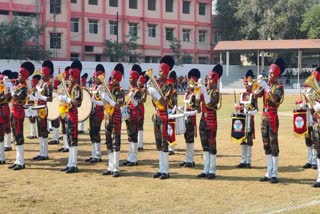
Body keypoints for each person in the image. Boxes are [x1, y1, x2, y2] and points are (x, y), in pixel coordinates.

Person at [255, 58, 285, 184]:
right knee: (266, 144)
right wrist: (258, 85)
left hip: (272, 117)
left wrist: (266, 87)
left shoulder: (279, 87)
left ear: (277, 74)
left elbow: (275, 100)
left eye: (272, 73)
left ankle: (275, 173)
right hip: (264, 117)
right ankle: (268, 172)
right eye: (269, 73)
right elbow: (256, 95)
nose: (269, 75)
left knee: (273, 144)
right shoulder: (266, 84)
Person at [147, 55, 174, 179]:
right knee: (158, 143)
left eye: (162, 70)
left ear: (167, 71)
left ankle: (166, 170)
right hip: (156, 115)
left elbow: (164, 102)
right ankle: (160, 168)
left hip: (163, 116)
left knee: (164, 143)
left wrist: (155, 93)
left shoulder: (169, 85)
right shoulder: (157, 83)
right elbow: (154, 103)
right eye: (159, 70)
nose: (159, 72)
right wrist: (151, 93)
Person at [196, 64, 223, 179]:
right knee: (204, 145)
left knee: (212, 145)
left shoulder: (216, 92)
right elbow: (197, 107)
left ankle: (212, 170)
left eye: (210, 79)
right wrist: (197, 94)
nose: (208, 81)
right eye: (207, 79)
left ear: (215, 80)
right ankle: (205, 169)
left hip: (211, 120)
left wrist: (204, 92)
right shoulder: (205, 90)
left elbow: (210, 104)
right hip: (203, 119)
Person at [8, 61, 35, 170]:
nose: (18, 76)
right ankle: (17, 160)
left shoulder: (23, 87)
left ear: (25, 76)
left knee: (19, 135)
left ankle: (21, 162)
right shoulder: (18, 85)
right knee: (15, 135)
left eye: (20, 75)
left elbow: (15, 98)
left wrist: (9, 87)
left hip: (19, 113)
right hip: (14, 111)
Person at [101, 63, 125, 177]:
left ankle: (116, 168)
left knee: (116, 142)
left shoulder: (120, 90)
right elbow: (103, 103)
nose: (111, 80)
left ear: (119, 79)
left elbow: (118, 105)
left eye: (114, 78)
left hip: (116, 117)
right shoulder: (107, 88)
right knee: (108, 142)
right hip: (107, 117)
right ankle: (110, 166)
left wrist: (108, 99)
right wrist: (102, 97)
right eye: (111, 78)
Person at [59, 60, 83, 173]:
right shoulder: (69, 87)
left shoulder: (77, 88)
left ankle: (74, 164)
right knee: (69, 139)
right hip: (67, 114)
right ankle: (70, 163)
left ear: (75, 76)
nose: (69, 77)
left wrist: (66, 99)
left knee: (73, 140)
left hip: (73, 115)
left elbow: (77, 102)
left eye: (71, 75)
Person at [234, 70, 258, 169]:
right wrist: (237, 106)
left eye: (247, 84)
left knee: (249, 141)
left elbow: (256, 109)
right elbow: (240, 105)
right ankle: (243, 160)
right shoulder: (242, 94)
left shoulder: (253, 95)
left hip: (249, 120)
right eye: (245, 84)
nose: (246, 86)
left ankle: (248, 161)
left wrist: (249, 112)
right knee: (242, 140)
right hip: (242, 120)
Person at [32, 60, 54, 161]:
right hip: (37, 107)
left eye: (42, 73)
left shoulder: (48, 84)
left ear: (47, 73)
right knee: (40, 131)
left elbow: (50, 98)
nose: (41, 74)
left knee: (44, 130)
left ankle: (45, 153)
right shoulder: (40, 83)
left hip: (43, 109)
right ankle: (41, 152)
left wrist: (40, 96)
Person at [179, 68, 201, 168]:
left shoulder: (195, 94)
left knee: (190, 140)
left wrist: (190, 113)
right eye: (189, 81)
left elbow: (198, 110)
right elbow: (186, 106)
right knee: (186, 140)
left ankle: (191, 160)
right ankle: (187, 159)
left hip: (191, 120)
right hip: (184, 119)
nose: (190, 83)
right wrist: (180, 109)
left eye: (192, 81)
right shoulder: (187, 94)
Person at [122, 64, 142, 166]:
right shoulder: (130, 89)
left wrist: (132, 97)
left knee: (134, 137)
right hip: (128, 115)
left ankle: (134, 159)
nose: (129, 79)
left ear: (135, 78)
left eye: (131, 77)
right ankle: (130, 157)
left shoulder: (138, 91)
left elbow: (137, 104)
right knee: (130, 137)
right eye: (129, 77)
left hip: (134, 116)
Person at [304, 67, 320, 187]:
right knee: (318, 149)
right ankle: (319, 177)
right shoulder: (314, 91)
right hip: (316, 123)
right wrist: (309, 101)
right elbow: (311, 111)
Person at [85, 64, 105, 163]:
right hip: (91, 112)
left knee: (96, 133)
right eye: (94, 77)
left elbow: (104, 102)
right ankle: (93, 154)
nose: (94, 79)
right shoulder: (92, 86)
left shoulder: (103, 87)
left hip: (98, 112)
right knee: (91, 133)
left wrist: (94, 101)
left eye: (96, 77)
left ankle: (98, 155)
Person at [0, 71, 13, 164]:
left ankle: (2, 156)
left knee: (5, 128)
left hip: (3, 108)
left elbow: (8, 99)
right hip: (4, 107)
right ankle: (7, 145)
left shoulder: (6, 85)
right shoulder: (6, 85)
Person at [25, 74, 41, 140]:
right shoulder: (31, 88)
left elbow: (36, 97)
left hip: (36, 105)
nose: (32, 82)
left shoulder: (38, 88)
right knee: (31, 119)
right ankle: (33, 133)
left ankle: (38, 133)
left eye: (33, 81)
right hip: (30, 105)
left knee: (37, 120)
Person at [137, 71, 148, 151]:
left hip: (140, 109)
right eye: (138, 80)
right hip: (135, 108)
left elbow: (143, 100)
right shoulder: (135, 88)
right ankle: (137, 143)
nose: (138, 82)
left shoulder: (144, 89)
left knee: (140, 126)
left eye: (140, 81)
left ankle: (140, 144)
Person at [167, 71, 178, 155]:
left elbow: (174, 104)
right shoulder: (167, 91)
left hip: (172, 112)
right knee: (167, 130)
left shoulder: (173, 92)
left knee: (171, 130)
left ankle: (171, 148)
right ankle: (168, 146)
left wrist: (172, 112)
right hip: (166, 112)